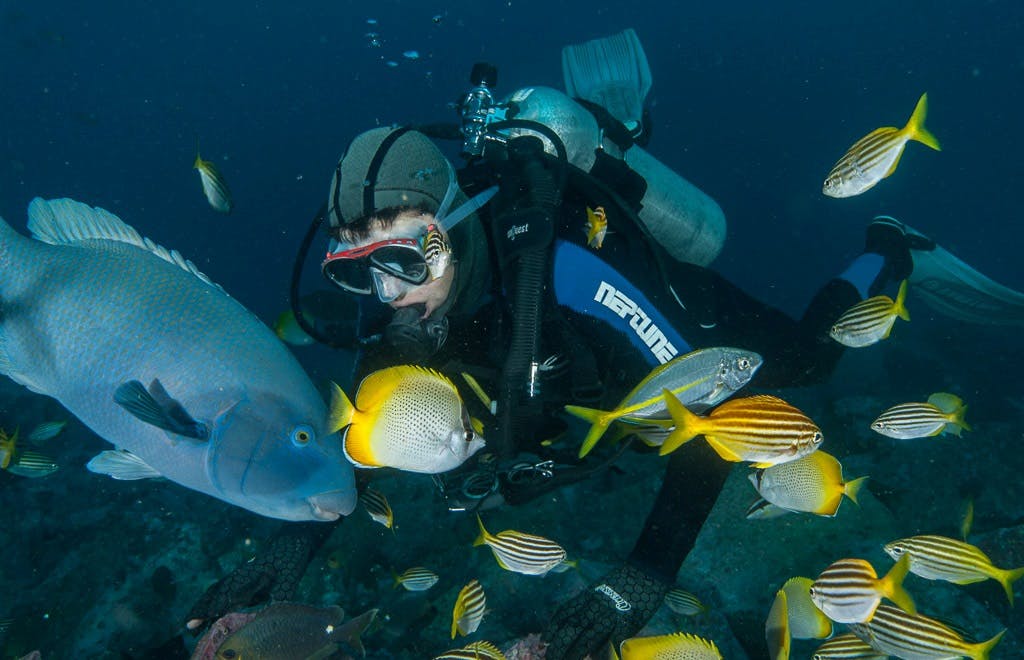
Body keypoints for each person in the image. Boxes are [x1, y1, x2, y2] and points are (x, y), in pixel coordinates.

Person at [183, 33, 941, 659]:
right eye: (357, 270)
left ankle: (887, 248)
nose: (391, 294)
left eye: (407, 259)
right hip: (587, 411)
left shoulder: (564, 267)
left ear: (459, 218)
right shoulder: (396, 317)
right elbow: (359, 442)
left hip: (675, 328)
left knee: (814, 359)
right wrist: (290, 546)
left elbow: (718, 409)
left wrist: (640, 579)